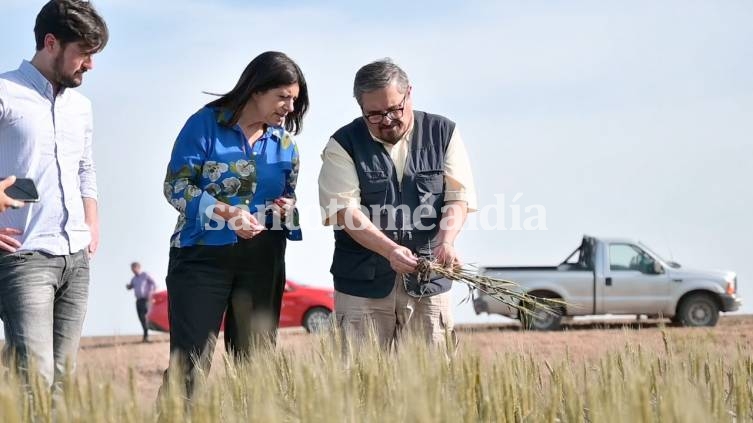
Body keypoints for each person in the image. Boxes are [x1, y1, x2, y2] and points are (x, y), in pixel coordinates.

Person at [161, 51, 308, 395]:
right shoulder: (205, 124)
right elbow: (176, 187)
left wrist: (288, 207)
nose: (289, 106)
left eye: (294, 99)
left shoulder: (286, 144)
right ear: (256, 89)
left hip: (263, 260)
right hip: (201, 259)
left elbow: (289, 195)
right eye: (283, 96)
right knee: (189, 368)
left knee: (256, 368)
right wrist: (229, 214)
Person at [318, 59, 477, 349]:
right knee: (357, 385)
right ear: (361, 108)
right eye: (374, 115)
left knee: (431, 382)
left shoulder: (444, 133)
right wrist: (390, 250)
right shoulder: (342, 144)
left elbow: (458, 197)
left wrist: (446, 242)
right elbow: (346, 212)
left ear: (409, 94)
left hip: (429, 283)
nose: (387, 120)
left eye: (394, 109)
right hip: (361, 287)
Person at [0, 0, 108, 389]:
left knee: (62, 385)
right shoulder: (5, 92)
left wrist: (91, 223)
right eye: (84, 54)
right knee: (35, 383)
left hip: (76, 259)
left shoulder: (81, 107)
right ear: (51, 43)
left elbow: (85, 168)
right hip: (23, 257)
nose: (90, 65)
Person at [126, 262, 157, 342]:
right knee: (141, 318)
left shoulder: (145, 275)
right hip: (138, 300)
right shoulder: (134, 279)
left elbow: (154, 283)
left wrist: (151, 292)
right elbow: (131, 286)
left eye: (133, 268)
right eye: (131, 269)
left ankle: (147, 335)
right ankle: (146, 335)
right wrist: (128, 287)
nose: (132, 270)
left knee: (146, 317)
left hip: (146, 299)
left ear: (138, 267)